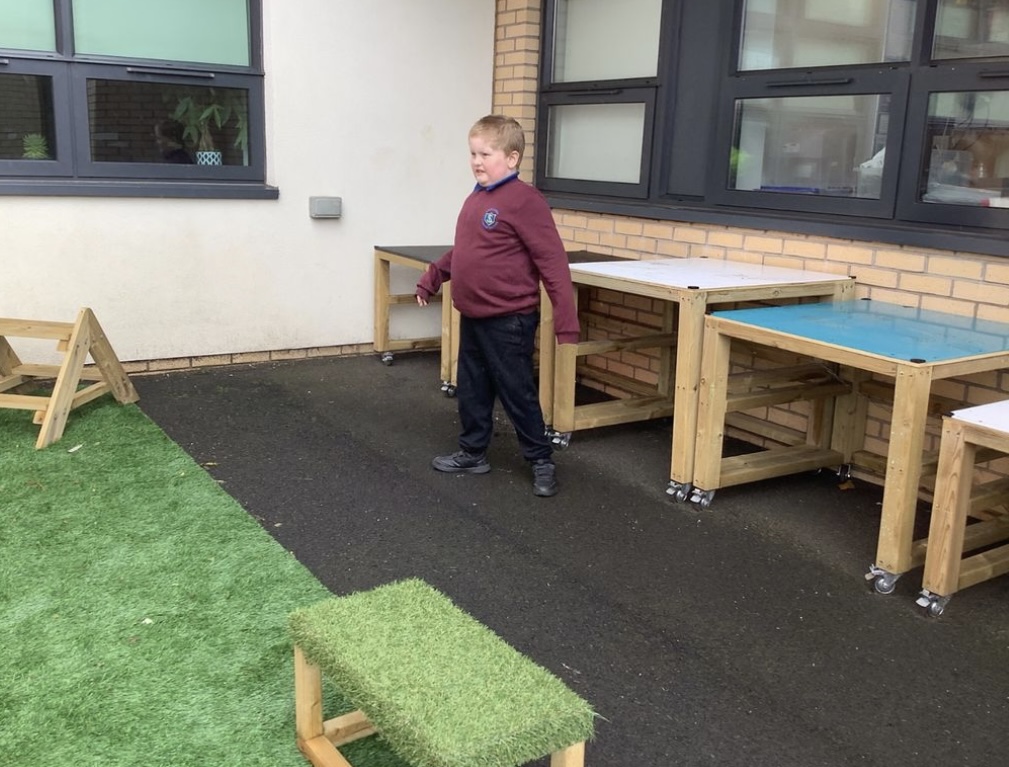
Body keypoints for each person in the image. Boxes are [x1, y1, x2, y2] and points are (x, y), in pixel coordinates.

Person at [415, 115, 580, 497]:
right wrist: (434, 276)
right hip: (473, 316)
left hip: (510, 320)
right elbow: (466, 252)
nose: (476, 161)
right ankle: (473, 452)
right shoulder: (477, 197)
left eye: (485, 154)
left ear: (512, 158)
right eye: (472, 153)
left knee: (516, 390)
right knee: (471, 387)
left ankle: (540, 460)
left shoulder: (525, 201)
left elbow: (552, 262)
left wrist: (566, 322)